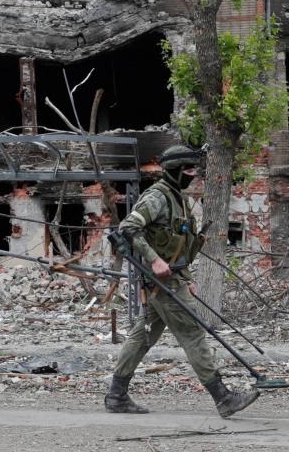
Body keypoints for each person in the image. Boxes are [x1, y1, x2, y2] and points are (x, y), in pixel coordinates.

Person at [104, 145, 258, 418]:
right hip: (161, 281)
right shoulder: (157, 198)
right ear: (174, 171)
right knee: (193, 333)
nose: (193, 174)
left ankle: (116, 395)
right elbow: (128, 227)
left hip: (173, 278)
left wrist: (186, 277)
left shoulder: (179, 200)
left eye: (194, 170)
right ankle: (223, 398)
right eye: (188, 170)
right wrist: (153, 260)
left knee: (143, 336)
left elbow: (180, 245)